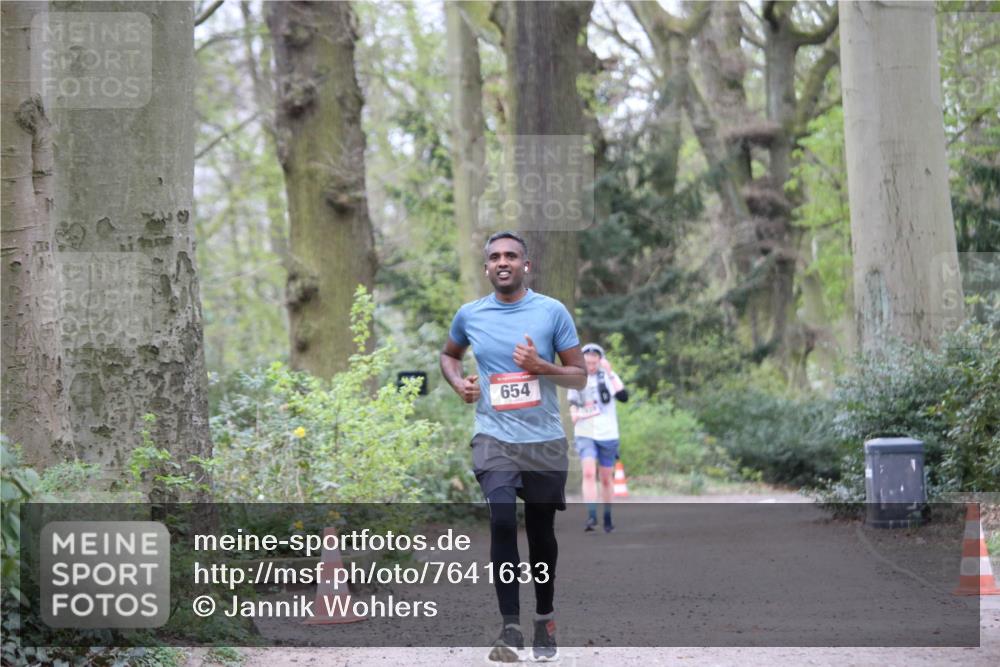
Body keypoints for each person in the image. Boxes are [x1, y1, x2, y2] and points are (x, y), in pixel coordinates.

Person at [440, 231, 586, 663]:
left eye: (512, 256)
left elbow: (578, 375)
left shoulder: (551, 312)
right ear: (486, 267)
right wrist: (458, 384)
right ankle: (510, 627)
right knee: (502, 519)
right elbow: (449, 355)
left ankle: (545, 617)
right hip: (493, 435)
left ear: (527, 265)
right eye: (495, 257)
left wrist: (541, 366)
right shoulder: (470, 315)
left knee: (541, 534)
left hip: (543, 440)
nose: (503, 262)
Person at [567, 343, 628, 533]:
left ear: (600, 361)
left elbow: (624, 396)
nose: (591, 365)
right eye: (587, 361)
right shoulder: (577, 378)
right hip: (585, 432)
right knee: (588, 473)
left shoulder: (607, 377)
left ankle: (607, 516)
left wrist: (610, 373)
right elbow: (572, 404)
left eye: (594, 361)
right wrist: (574, 414)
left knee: (606, 478)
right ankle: (591, 515)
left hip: (608, 433)